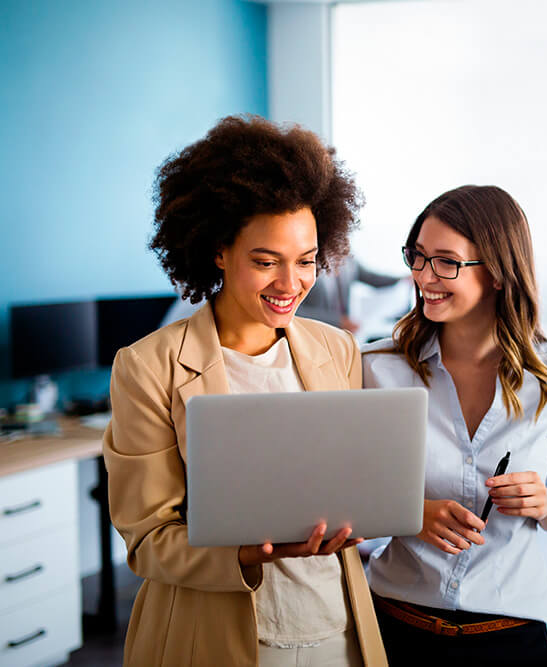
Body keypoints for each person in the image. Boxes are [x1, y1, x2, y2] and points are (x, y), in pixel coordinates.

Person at [102, 115, 386, 667]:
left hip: (335, 626)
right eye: (265, 262)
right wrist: (246, 553)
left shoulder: (338, 350)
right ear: (218, 251)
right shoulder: (147, 366)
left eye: (306, 261)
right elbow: (147, 538)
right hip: (219, 635)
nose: (290, 284)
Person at [361, 185, 547, 665]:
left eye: (446, 262)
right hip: (395, 631)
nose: (424, 276)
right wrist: (411, 513)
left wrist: (546, 503)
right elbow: (337, 494)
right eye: (418, 257)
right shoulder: (376, 369)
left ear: (496, 271)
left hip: (511, 637)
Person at [298, 255, 404, 334]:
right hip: (313, 334)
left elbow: (372, 278)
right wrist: (337, 321)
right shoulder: (305, 262)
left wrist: (402, 280)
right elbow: (297, 312)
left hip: (342, 335)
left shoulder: (347, 258)